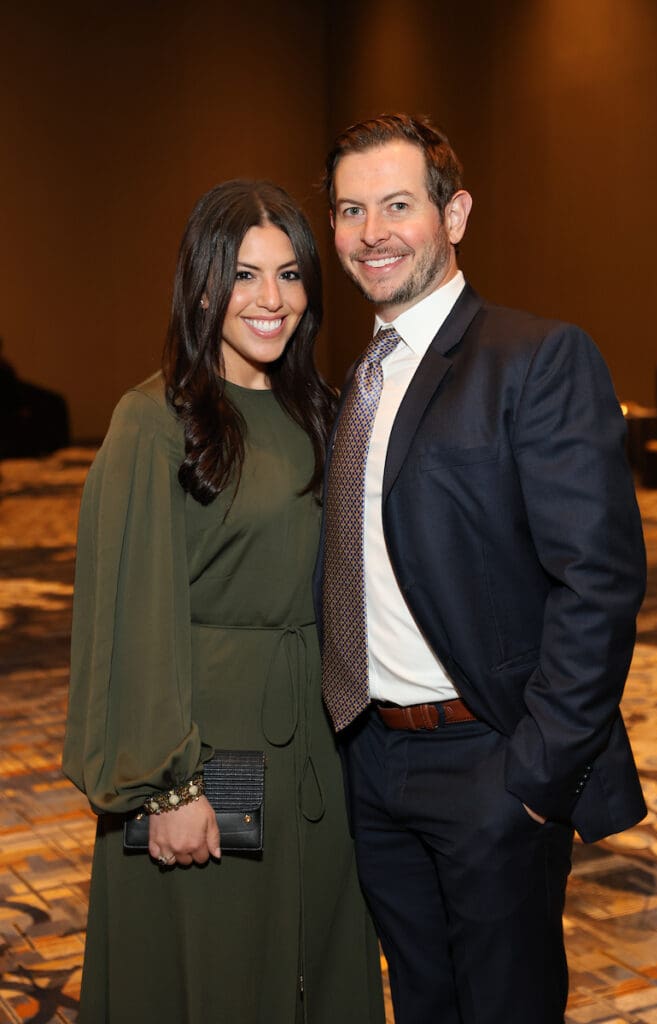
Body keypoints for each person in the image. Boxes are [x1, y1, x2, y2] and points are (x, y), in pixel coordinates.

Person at [314, 114, 647, 1024]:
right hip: (370, 757)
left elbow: (599, 580)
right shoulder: (356, 384)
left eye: (396, 204)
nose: (371, 231)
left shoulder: (534, 358)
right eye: (350, 210)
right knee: (420, 1000)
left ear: (452, 215)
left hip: (490, 762)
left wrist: (535, 777)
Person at [63, 180, 385, 1024]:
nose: (270, 300)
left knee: (314, 961)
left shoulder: (313, 407)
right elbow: (127, 617)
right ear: (201, 284)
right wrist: (165, 788)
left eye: (289, 274)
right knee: (214, 975)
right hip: (209, 758)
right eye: (243, 276)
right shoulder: (155, 420)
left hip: (314, 744)